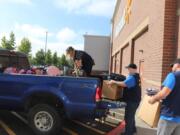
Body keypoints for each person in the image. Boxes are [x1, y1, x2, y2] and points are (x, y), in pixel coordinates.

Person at [149, 58, 180, 135]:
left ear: (177, 65)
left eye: (172, 66)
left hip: (168, 117)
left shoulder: (173, 75)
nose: (172, 68)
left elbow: (164, 94)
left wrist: (153, 99)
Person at [108, 64, 141, 135]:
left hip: (132, 101)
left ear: (134, 69)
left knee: (128, 117)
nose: (128, 70)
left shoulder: (133, 78)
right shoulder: (134, 76)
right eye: (128, 68)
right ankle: (133, 130)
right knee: (131, 116)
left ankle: (128, 133)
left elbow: (124, 84)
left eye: (130, 69)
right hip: (134, 100)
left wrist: (113, 81)